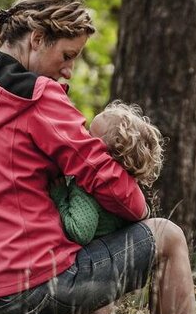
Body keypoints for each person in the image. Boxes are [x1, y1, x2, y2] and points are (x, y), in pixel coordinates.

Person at [0, 0, 195, 314]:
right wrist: (141, 208)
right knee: (168, 236)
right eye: (67, 55)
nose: (69, 70)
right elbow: (105, 179)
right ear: (37, 38)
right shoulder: (37, 97)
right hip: (36, 286)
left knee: (91, 278)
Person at [50, 101, 164, 245]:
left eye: (90, 136)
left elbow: (79, 232)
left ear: (109, 155)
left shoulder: (88, 188)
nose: (82, 137)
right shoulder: (124, 186)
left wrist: (60, 197)